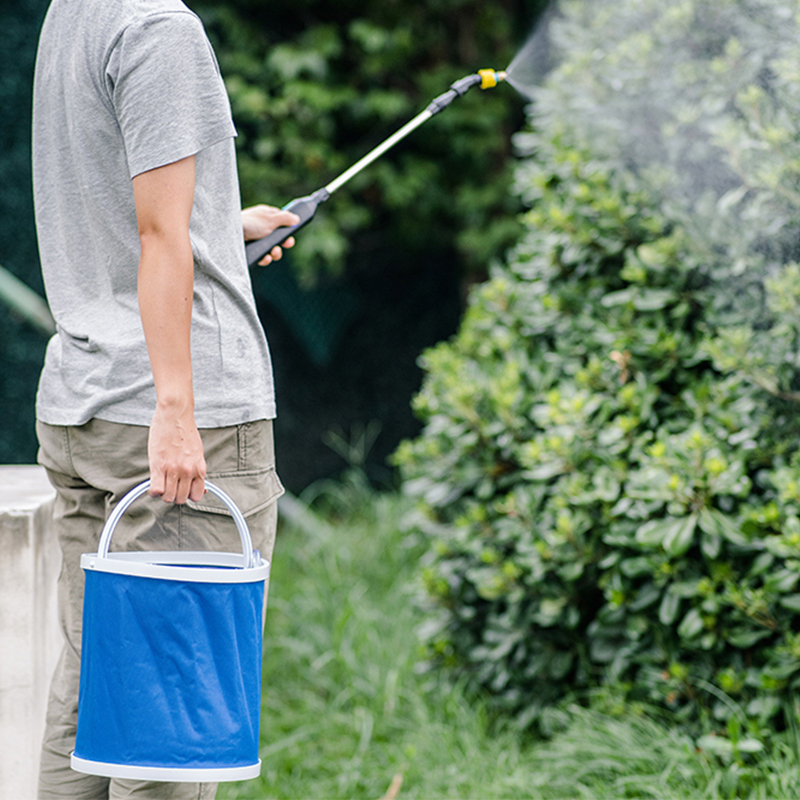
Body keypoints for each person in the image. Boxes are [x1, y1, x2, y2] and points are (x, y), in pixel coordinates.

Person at [31, 0, 297, 797]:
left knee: (89, 695)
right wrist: (176, 412)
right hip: (178, 421)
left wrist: (216, 227)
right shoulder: (160, 27)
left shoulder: (74, 10)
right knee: (171, 734)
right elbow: (155, 236)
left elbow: (139, 210)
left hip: (87, 403)